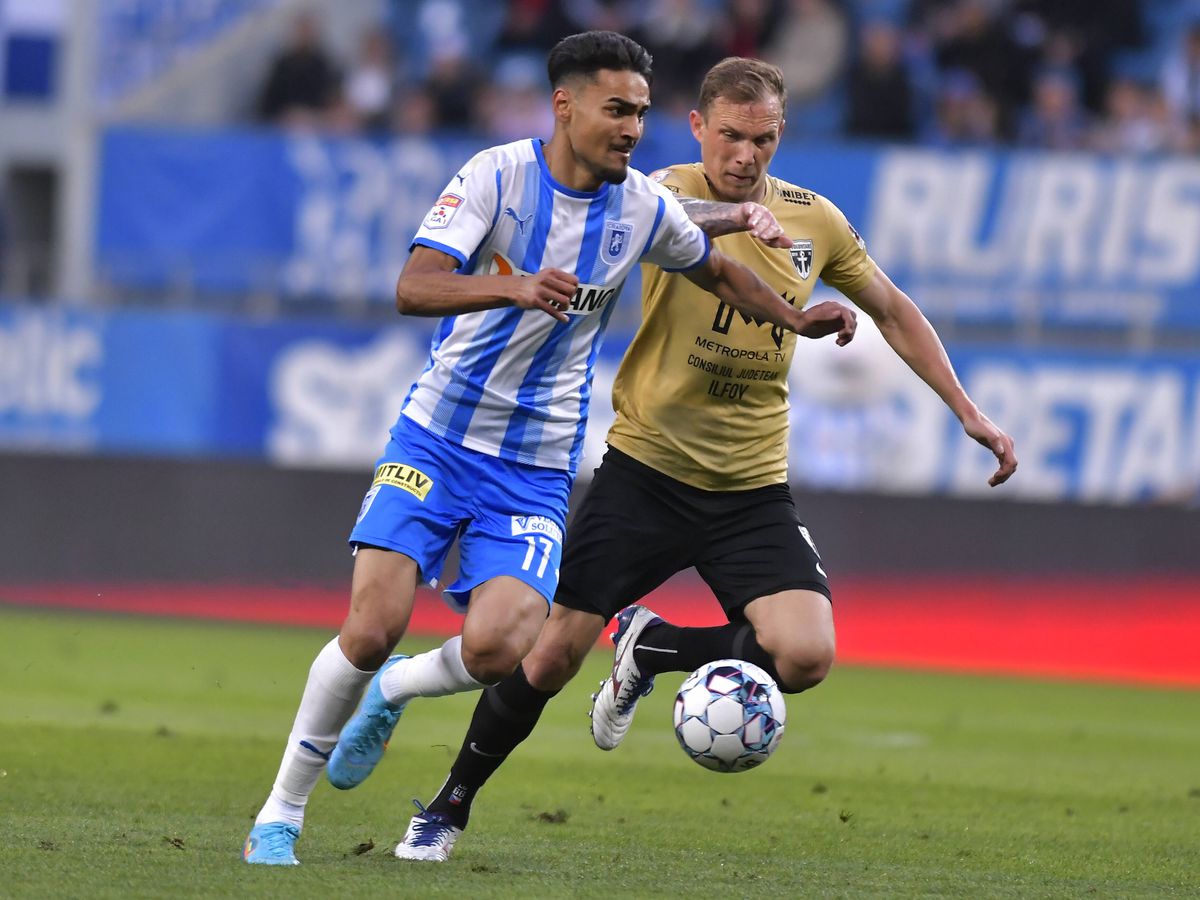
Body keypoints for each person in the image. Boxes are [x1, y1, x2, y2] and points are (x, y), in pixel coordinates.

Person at [342, 55, 1018, 864]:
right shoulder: (651, 192)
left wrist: (968, 411)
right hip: (646, 472)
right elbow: (670, 213)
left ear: (780, 137)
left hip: (751, 487)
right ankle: (448, 808)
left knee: (806, 656)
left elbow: (895, 310)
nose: (746, 155)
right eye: (730, 135)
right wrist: (724, 220)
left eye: (763, 139)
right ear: (698, 127)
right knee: (548, 656)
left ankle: (655, 648)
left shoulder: (816, 222)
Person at [242, 33, 857, 867]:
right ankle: (282, 813)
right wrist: (512, 284)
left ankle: (394, 693)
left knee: (502, 650)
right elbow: (412, 285)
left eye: (640, 112)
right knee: (374, 622)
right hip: (439, 435)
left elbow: (717, 270)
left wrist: (794, 318)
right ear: (565, 106)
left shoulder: (640, 206)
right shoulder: (495, 177)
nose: (632, 128)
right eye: (617, 110)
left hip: (534, 467)